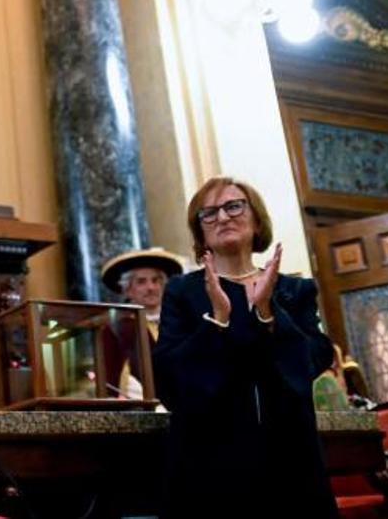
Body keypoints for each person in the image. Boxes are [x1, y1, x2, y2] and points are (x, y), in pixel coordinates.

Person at [153, 177, 338, 518]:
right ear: (201, 232)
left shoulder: (293, 290)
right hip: (209, 464)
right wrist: (218, 321)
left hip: (289, 459)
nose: (222, 217)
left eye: (233, 206)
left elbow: (314, 356)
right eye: (208, 214)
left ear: (256, 220)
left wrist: (268, 313)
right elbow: (169, 379)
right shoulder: (183, 292)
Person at [98, 247, 183, 399]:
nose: (151, 287)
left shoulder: (180, 321)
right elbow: (110, 381)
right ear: (128, 290)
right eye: (141, 282)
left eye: (156, 280)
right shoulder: (117, 329)